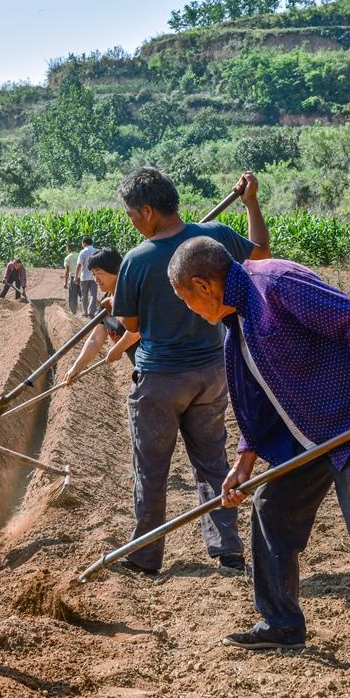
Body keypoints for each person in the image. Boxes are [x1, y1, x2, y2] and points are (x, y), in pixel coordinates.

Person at [167, 237, 350, 692]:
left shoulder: (274, 283)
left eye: (186, 300)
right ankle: (280, 623)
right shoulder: (235, 323)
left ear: (203, 285)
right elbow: (256, 399)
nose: (189, 310)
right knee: (270, 510)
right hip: (303, 438)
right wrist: (244, 461)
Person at [112, 167, 270, 575]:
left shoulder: (136, 260)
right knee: (213, 462)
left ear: (148, 211)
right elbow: (261, 253)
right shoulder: (213, 236)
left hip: (160, 380)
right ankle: (227, 549)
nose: (133, 223)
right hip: (212, 373)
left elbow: (130, 326)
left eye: (132, 215)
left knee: (151, 467)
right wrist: (251, 201)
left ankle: (145, 558)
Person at [62, 248, 140, 384]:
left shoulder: (131, 295)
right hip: (142, 367)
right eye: (93, 274)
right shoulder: (107, 299)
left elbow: (139, 329)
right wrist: (77, 367)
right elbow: (95, 338)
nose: (96, 279)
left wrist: (118, 348)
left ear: (117, 271)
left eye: (100, 273)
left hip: (159, 365)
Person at [77, 236, 98, 317]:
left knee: (84, 295)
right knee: (93, 295)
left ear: (84, 243)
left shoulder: (83, 252)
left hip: (84, 277)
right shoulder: (96, 251)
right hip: (94, 277)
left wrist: (76, 276)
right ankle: (91, 312)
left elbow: (79, 265)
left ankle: (85, 312)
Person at [63, 243, 80, 314]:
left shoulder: (67, 258)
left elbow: (67, 271)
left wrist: (65, 282)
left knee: (73, 295)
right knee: (82, 295)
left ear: (69, 249)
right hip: (81, 277)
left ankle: (73, 312)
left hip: (73, 277)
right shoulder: (79, 255)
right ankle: (84, 311)